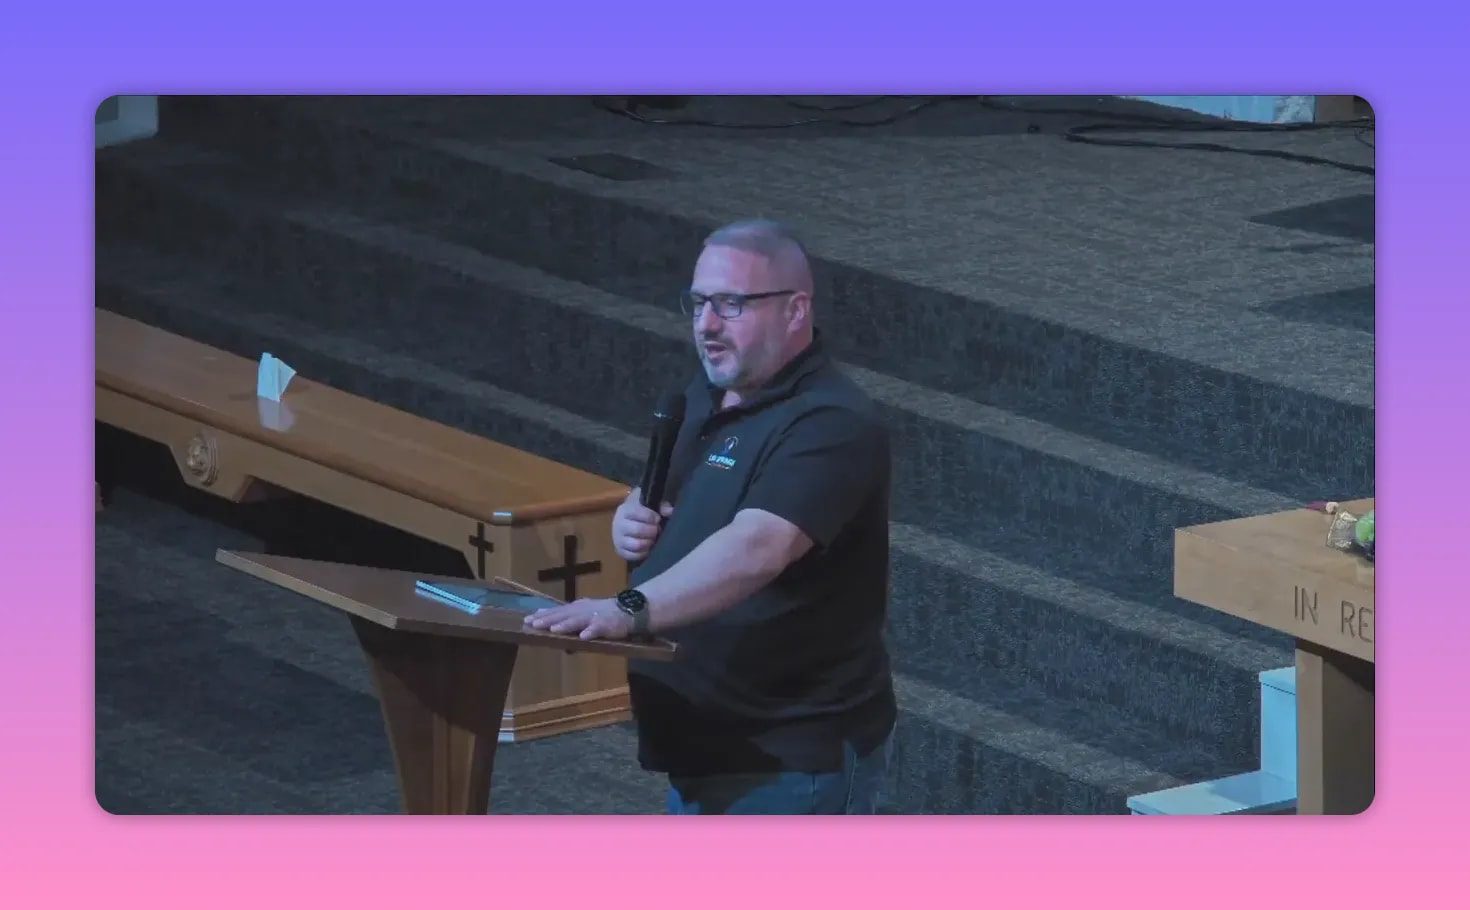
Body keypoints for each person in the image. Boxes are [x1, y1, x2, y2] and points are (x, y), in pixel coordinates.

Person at [525, 219, 896, 814]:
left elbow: (758, 547)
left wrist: (630, 609)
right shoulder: (709, 392)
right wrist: (631, 513)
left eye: (730, 304)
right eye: (697, 304)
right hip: (705, 743)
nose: (706, 326)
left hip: (786, 758)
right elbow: (676, 497)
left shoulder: (832, 425)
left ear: (795, 311)